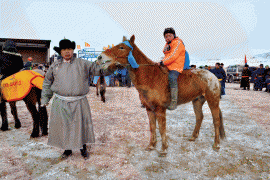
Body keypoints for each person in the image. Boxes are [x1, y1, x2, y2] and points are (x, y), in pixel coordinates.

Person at [41, 39, 99, 160]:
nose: (67, 52)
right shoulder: (55, 65)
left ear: (73, 50)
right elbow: (47, 82)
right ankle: (67, 149)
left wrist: (109, 63)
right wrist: (45, 98)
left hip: (79, 101)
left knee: (81, 125)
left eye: (69, 49)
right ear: (60, 52)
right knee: (64, 126)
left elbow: (99, 69)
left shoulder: (83, 63)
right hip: (61, 101)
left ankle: (83, 148)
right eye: (64, 49)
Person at [157, 27, 185, 110]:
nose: (167, 38)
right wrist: (161, 62)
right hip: (168, 65)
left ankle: (174, 102)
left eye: (169, 36)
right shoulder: (168, 45)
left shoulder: (177, 43)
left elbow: (173, 56)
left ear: (174, 35)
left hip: (176, 66)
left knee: (172, 78)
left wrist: (162, 62)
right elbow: (167, 56)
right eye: (165, 36)